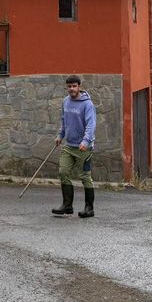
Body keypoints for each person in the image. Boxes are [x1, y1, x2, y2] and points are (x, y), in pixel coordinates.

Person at [52, 75, 96, 218]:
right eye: (69, 86)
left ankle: (89, 208)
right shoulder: (66, 102)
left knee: (85, 177)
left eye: (74, 86)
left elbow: (91, 125)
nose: (71, 89)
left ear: (79, 86)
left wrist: (85, 141)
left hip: (85, 147)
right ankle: (67, 206)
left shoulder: (87, 104)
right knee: (63, 172)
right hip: (69, 146)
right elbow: (64, 122)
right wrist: (60, 135)